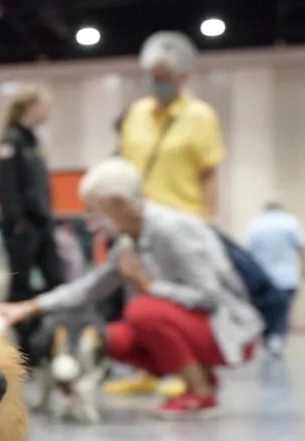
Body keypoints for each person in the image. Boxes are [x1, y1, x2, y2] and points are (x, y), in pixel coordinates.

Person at [0, 157, 262, 418]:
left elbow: (209, 296)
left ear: (119, 203)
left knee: (142, 312)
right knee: (108, 338)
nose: (91, 219)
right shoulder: (128, 239)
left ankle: (201, 392)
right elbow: (90, 288)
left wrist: (148, 286)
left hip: (227, 330)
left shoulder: (172, 228)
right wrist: (29, 307)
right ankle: (202, 377)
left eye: (95, 209)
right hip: (193, 324)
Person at [111, 31, 227, 396]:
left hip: (183, 223)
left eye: (165, 77)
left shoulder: (200, 116)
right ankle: (149, 371)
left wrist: (207, 219)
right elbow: (127, 168)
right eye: (154, 76)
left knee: (180, 300)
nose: (157, 83)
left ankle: (195, 374)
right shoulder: (137, 115)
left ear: (184, 76)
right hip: (140, 223)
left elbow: (209, 172)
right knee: (137, 298)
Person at [0, 85, 64, 357]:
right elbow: (5, 187)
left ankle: (52, 341)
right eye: (43, 106)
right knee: (20, 286)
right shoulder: (10, 142)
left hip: (42, 224)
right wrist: (16, 222)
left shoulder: (34, 142)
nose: (47, 112)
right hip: (22, 228)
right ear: (29, 108)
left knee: (56, 281)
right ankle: (23, 350)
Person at [246, 200, 305, 356]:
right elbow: (301, 246)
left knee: (265, 309)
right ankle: (277, 338)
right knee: (284, 309)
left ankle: (268, 338)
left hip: (262, 276)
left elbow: (249, 251)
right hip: (286, 275)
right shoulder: (290, 222)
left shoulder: (255, 224)